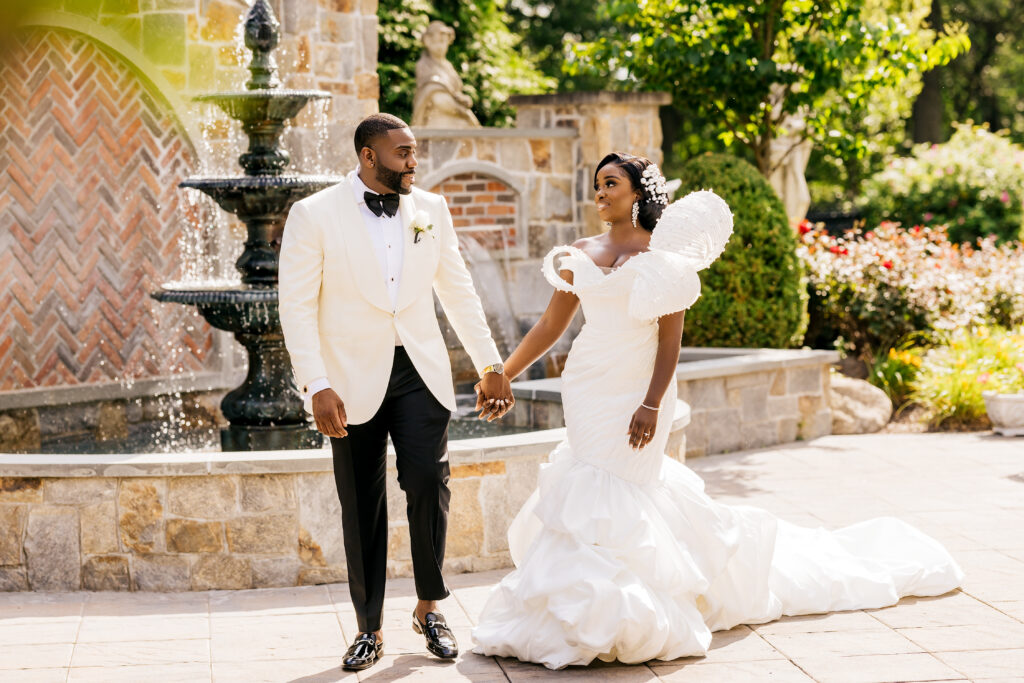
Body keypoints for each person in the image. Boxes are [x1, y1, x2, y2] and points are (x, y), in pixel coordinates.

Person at [470, 152, 964, 669]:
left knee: (619, 487)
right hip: (589, 387)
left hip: (636, 389)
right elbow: (551, 328)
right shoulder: (579, 252)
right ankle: (574, 611)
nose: (600, 192)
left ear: (638, 192)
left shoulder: (665, 256)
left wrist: (651, 404)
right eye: (596, 184)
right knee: (585, 484)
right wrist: (501, 372)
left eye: (611, 183)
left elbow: (670, 343)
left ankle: (630, 609)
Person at [278, 113, 514, 672]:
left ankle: (431, 608)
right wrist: (318, 383)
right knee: (361, 501)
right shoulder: (313, 215)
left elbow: (457, 289)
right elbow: (296, 307)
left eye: (414, 152)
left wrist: (490, 364)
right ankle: (369, 628)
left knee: (429, 481)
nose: (414, 161)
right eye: (403, 152)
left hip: (419, 370)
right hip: (348, 377)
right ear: (368, 156)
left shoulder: (431, 210)